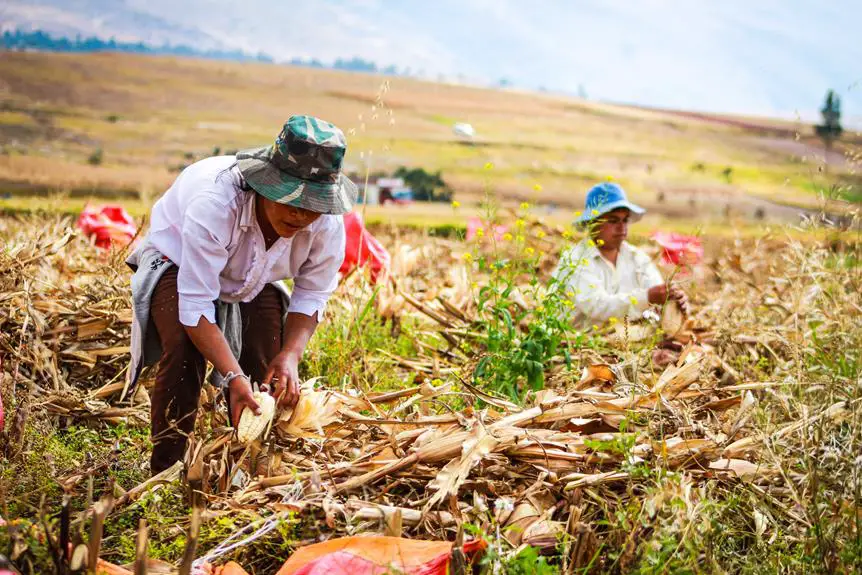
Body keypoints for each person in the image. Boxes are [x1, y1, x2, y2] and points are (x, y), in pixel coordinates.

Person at [124, 115, 357, 473]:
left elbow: (311, 295)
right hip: (178, 261)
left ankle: (249, 462)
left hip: (256, 275)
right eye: (290, 200)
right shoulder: (216, 203)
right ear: (265, 184)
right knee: (185, 348)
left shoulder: (326, 223)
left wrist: (291, 356)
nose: (300, 214)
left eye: (312, 205)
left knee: (269, 356)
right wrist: (232, 375)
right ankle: (165, 470)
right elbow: (196, 305)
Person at [552, 182, 689, 328]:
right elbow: (597, 306)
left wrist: (674, 301)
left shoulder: (637, 258)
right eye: (613, 221)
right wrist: (647, 297)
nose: (621, 227)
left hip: (624, 338)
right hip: (579, 341)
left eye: (625, 220)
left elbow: (657, 296)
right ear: (592, 223)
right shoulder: (575, 260)